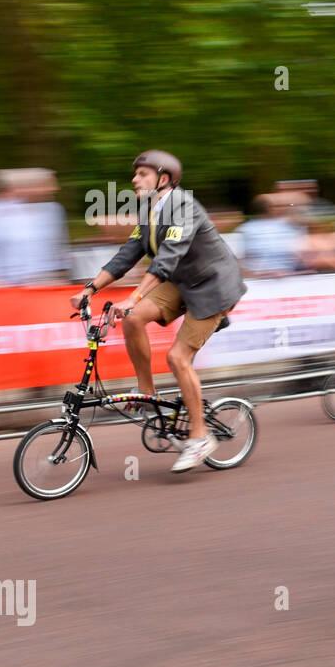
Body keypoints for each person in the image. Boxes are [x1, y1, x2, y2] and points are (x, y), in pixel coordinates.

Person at [69, 150, 248, 472]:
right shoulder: (150, 209)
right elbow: (128, 254)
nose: (134, 180)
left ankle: (200, 437)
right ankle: (147, 393)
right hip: (182, 282)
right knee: (133, 319)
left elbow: (166, 260)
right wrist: (90, 289)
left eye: (143, 174)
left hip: (213, 287)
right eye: (135, 174)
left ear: (163, 179)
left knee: (178, 358)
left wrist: (134, 296)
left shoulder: (183, 207)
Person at [236, 194, 306, 277]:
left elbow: (300, 256)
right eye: (279, 206)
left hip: (290, 278)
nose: (285, 208)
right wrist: (255, 275)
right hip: (257, 282)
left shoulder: (289, 226)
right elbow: (237, 262)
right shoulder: (246, 230)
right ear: (269, 208)